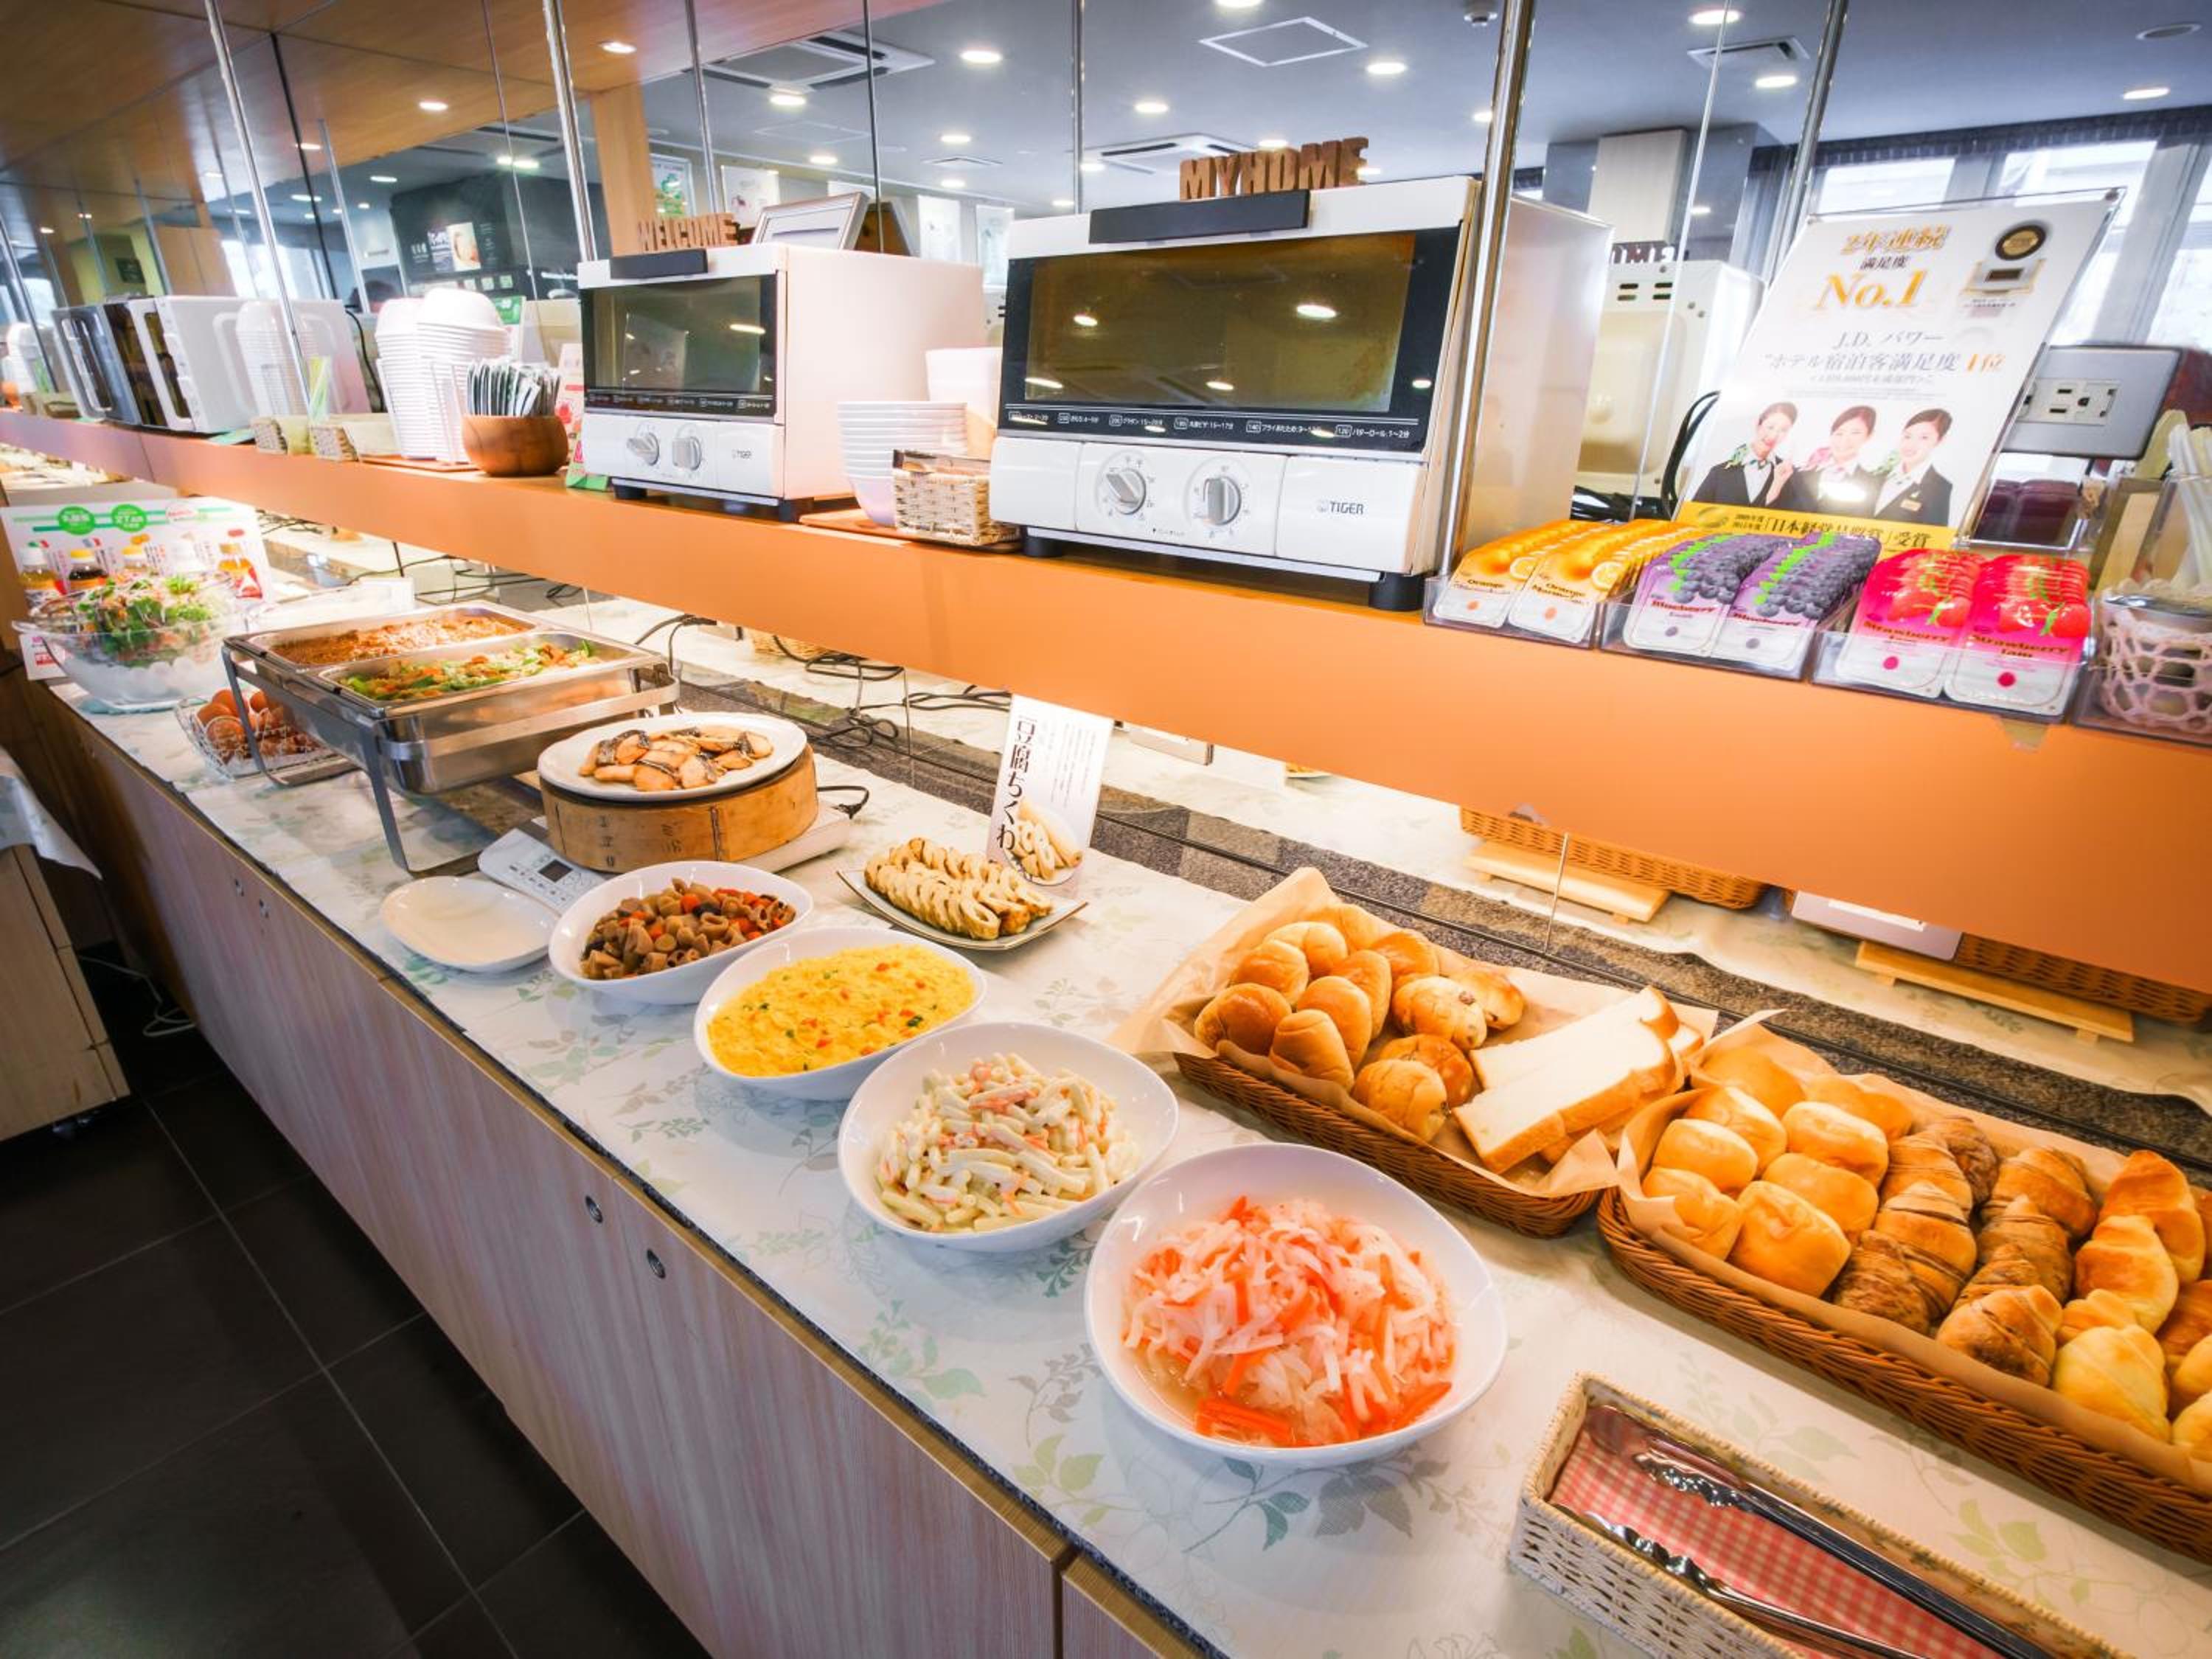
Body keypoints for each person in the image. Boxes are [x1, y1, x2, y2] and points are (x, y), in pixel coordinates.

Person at [1776, 405, 1881, 516]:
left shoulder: (1872, 484)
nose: (1845, 440)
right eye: (1839, 433)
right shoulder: (1801, 474)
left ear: (1869, 436)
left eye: (1855, 433)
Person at [1691, 400, 1797, 507]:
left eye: (1783, 430)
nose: (1774, 436)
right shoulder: (1719, 473)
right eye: (1771, 427)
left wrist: (1776, 487)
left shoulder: (1790, 475)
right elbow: (1693, 513)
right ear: (1758, 424)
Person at [1871, 407, 1955, 526]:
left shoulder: (1939, 487)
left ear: (1940, 440)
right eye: (1907, 436)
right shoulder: (1877, 476)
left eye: (1924, 438)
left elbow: (1932, 534)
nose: (1911, 445)